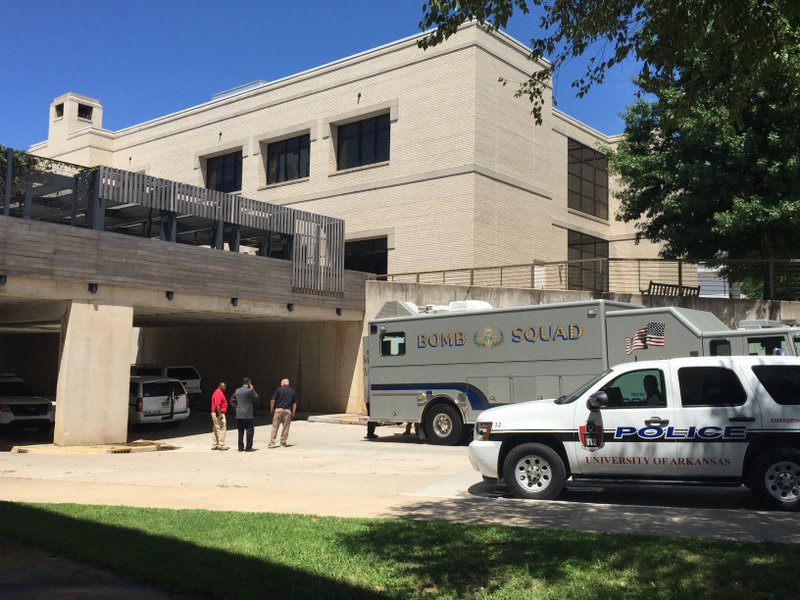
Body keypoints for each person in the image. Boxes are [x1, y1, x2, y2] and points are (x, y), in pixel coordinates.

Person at [232, 377, 259, 452]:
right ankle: (248, 447)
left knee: (240, 431)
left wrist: (237, 408)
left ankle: (240, 448)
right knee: (249, 430)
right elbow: (256, 397)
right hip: (248, 414)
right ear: (249, 382)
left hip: (239, 414)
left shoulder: (237, 390)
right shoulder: (249, 391)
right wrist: (252, 389)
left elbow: (232, 400)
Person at [269, 378, 297, 448]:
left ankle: (272, 443)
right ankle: (283, 443)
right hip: (287, 411)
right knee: (286, 428)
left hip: (278, 410)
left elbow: (273, 400)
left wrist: (271, 409)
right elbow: (294, 403)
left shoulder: (279, 389)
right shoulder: (292, 391)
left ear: (282, 383)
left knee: (275, 427)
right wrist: (293, 413)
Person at [210, 382, 229, 451]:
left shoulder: (217, 392)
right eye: (223, 386)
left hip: (215, 413)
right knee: (222, 428)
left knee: (216, 429)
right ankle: (221, 444)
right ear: (219, 386)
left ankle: (215, 444)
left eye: (225, 386)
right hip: (218, 413)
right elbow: (217, 405)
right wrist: (220, 414)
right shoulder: (219, 393)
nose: (225, 388)